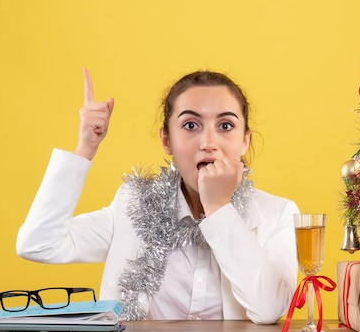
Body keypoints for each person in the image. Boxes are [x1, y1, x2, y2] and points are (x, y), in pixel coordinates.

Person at [16, 69, 300, 323]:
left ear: (245, 141)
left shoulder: (279, 214)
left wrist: (219, 207)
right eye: (191, 125)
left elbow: (269, 310)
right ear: (167, 140)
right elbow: (39, 244)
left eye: (225, 126)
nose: (208, 142)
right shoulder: (133, 206)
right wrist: (85, 147)